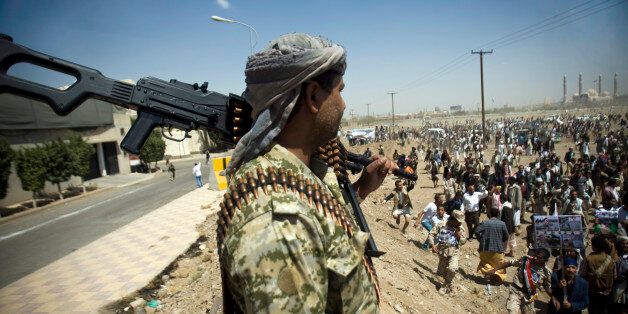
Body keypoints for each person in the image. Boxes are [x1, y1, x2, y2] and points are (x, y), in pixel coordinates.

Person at [219, 34, 396, 312]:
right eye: (340, 91)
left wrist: (361, 188)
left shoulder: (300, 171)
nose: (344, 105)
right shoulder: (278, 223)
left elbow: (321, 222)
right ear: (314, 96)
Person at [488, 248, 553, 314]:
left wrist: (553, 298)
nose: (535, 258)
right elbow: (510, 263)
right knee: (512, 311)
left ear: (545, 260)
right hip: (515, 291)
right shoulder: (526, 260)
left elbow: (547, 286)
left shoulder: (547, 272)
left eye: (539, 258)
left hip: (529, 296)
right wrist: (495, 269)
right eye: (535, 256)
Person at [429, 211, 467, 295]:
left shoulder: (460, 229)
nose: (459, 223)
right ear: (452, 219)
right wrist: (432, 245)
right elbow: (432, 234)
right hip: (442, 252)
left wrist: (458, 235)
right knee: (440, 275)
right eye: (458, 221)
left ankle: (444, 287)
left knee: (453, 268)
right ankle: (450, 284)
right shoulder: (442, 224)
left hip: (454, 252)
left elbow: (464, 241)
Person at [476, 206, 510, 284]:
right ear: (498, 214)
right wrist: (501, 241)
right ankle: (496, 276)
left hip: (485, 248)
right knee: (499, 265)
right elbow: (507, 236)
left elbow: (477, 232)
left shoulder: (485, 222)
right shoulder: (502, 224)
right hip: (498, 249)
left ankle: (488, 275)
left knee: (485, 263)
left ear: (489, 214)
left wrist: (481, 240)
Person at [584, 235, 615, 314]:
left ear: (594, 246)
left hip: (593, 291)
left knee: (593, 310)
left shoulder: (589, 258)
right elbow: (615, 276)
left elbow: (583, 274)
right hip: (607, 293)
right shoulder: (610, 259)